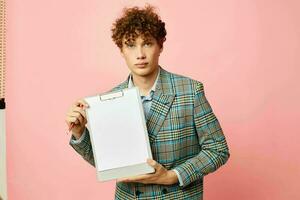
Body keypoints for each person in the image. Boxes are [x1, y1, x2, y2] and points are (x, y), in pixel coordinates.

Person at [65, 5, 230, 200]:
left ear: (160, 45)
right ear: (121, 50)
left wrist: (171, 176)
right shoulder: (109, 102)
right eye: (131, 44)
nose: (140, 54)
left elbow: (218, 149)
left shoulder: (190, 91)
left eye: (148, 43)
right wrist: (79, 132)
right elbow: (110, 165)